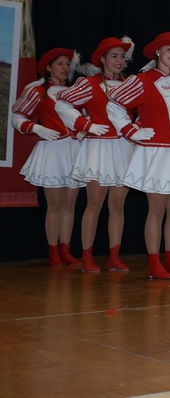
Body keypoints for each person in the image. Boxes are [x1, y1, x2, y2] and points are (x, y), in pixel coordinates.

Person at [107, 31, 170, 279]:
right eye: (169, 49)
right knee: (157, 208)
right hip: (155, 151)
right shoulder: (142, 80)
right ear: (158, 52)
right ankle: (154, 263)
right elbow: (114, 105)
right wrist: (131, 131)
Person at [55, 37, 135, 272]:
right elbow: (61, 104)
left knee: (118, 205)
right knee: (94, 204)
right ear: (102, 59)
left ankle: (114, 256)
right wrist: (86, 125)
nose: (119, 60)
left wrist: (136, 129)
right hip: (98, 148)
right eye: (114, 56)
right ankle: (87, 256)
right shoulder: (88, 83)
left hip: (123, 148)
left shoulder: (130, 84)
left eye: (122, 56)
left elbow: (145, 109)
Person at [12, 48, 84, 266]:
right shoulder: (38, 91)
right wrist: (36, 128)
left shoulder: (74, 91)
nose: (65, 68)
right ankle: (53, 252)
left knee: (70, 205)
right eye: (60, 63)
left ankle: (65, 249)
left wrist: (83, 130)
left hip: (73, 151)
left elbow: (84, 117)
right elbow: (17, 116)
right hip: (52, 151)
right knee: (55, 205)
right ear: (48, 68)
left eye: (67, 64)